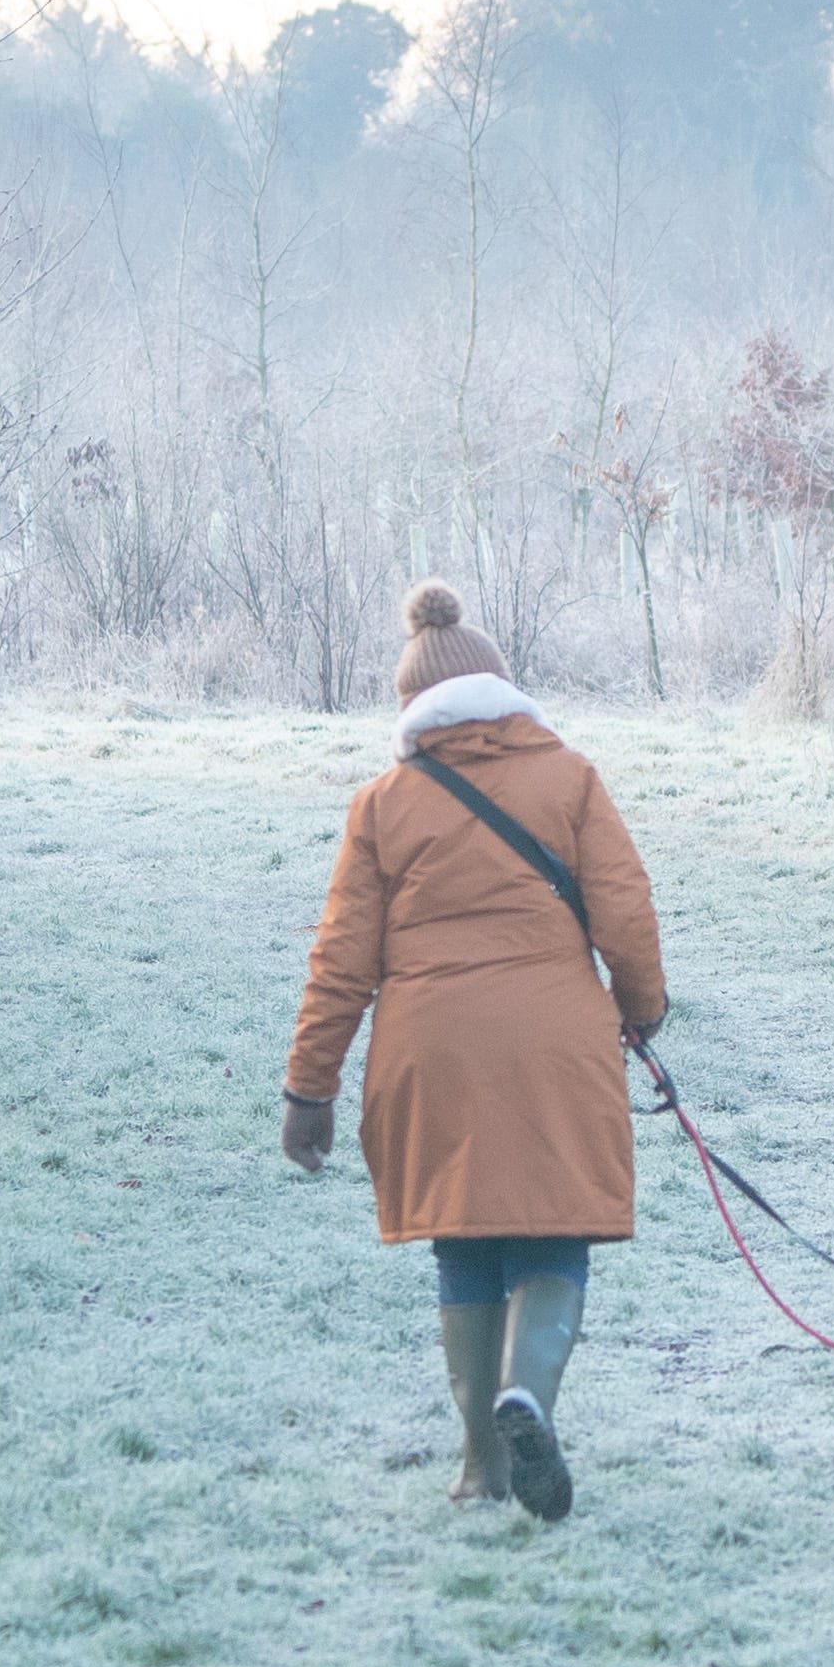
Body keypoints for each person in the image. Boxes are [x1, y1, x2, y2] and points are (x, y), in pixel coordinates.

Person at [279, 581, 666, 1521]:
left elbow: (341, 959)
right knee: (551, 1230)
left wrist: (309, 1088)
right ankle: (528, 1395)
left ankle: (479, 1465)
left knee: (464, 1242)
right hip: (554, 1044)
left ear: (411, 711)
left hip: (430, 1053)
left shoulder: (382, 804)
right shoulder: (569, 775)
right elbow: (626, 911)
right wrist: (641, 1011)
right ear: (502, 686)